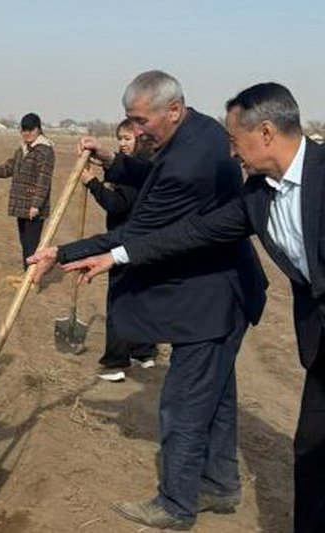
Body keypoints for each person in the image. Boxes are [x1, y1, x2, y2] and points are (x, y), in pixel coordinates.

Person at [59, 82, 325, 533]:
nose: (231, 153)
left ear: (264, 133)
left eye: (235, 141)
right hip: (316, 341)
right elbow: (195, 231)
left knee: (187, 403)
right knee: (311, 450)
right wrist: (113, 256)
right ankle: (242, 497)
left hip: (219, 302)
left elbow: (159, 211)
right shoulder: (259, 193)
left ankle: (180, 501)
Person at [27, 70, 267, 530]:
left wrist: (62, 253)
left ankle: (176, 504)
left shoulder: (189, 161)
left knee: (182, 401)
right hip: (223, 287)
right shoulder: (199, 130)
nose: (135, 132)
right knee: (215, 397)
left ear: (172, 110)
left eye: (140, 121)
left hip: (211, 297)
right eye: (130, 121)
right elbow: (153, 176)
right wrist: (113, 163)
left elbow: (135, 233)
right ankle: (219, 484)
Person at [81, 118, 157, 381]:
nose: (122, 144)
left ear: (139, 139)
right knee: (141, 295)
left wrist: (92, 183)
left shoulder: (135, 171)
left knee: (120, 298)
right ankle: (144, 352)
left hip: (125, 240)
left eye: (127, 139)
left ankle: (116, 361)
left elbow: (116, 205)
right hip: (144, 240)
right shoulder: (146, 165)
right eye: (120, 139)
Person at [0, 113, 55, 275]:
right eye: (23, 130)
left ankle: (31, 278)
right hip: (21, 205)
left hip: (33, 207)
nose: (25, 133)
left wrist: (36, 205)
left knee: (32, 245)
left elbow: (43, 181)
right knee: (25, 243)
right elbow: (9, 168)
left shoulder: (45, 152)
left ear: (38, 130)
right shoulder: (22, 150)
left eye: (29, 130)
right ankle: (28, 276)